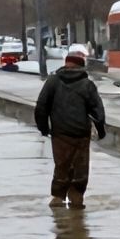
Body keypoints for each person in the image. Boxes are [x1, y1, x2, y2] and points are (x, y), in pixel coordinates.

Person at [35, 44, 107, 209]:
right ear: (81, 66)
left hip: (60, 133)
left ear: (65, 64)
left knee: (62, 165)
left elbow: (41, 106)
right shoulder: (87, 84)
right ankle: (76, 201)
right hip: (81, 133)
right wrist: (101, 130)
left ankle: (57, 199)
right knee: (80, 169)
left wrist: (43, 128)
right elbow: (97, 109)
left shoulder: (53, 82)